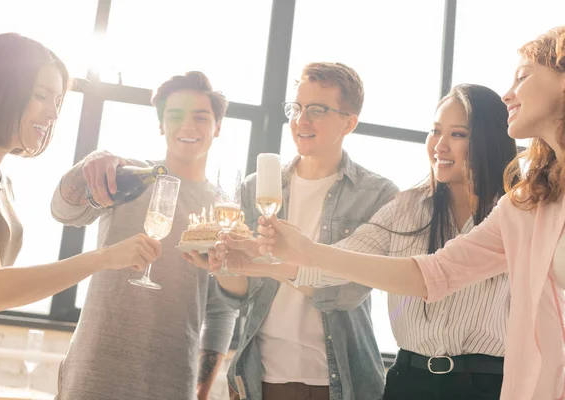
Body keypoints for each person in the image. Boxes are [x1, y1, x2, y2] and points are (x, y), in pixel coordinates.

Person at [248, 26, 565, 399]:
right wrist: (281, 255)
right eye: (435, 131)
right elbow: (434, 273)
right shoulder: (526, 207)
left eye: (523, 77)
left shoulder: (513, 205)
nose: (509, 94)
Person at [218, 83, 517, 399]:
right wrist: (257, 261)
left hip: (488, 384)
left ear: (489, 139)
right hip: (409, 382)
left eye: (458, 134)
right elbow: (335, 267)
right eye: (435, 131)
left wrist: (308, 252)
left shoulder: (516, 215)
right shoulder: (405, 208)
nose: (439, 145)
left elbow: (431, 275)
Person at [185, 62, 398, 400]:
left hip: (341, 382)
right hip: (260, 377)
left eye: (316, 110)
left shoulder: (377, 194)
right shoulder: (257, 188)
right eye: (296, 108)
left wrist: (268, 264)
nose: (301, 121)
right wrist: (223, 262)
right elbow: (240, 295)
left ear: (349, 122)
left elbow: (347, 291)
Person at [0, 33, 161, 400]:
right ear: (0, 89)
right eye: (41, 96)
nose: (53, 113)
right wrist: (104, 258)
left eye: (57, 101)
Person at [51, 71, 238, 400]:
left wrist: (201, 389)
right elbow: (64, 212)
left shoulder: (221, 211)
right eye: (175, 115)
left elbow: (221, 308)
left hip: (171, 380)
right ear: (161, 125)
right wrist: (87, 166)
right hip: (94, 371)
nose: (188, 126)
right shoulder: (127, 174)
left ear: (218, 127)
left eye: (201, 117)